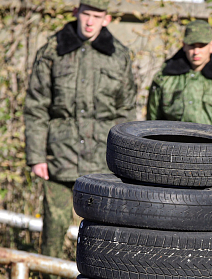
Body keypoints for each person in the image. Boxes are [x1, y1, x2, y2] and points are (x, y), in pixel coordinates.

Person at [24, 0, 137, 265]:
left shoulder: (118, 55)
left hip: (102, 161)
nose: (89, 22)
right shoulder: (52, 50)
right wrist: (36, 155)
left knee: (103, 232)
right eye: (86, 14)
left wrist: (123, 161)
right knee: (54, 225)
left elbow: (125, 112)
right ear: (76, 12)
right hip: (58, 156)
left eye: (96, 16)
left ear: (106, 19)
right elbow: (36, 106)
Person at [146, 20, 212, 132]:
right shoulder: (165, 79)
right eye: (192, 46)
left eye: (202, 46)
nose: (196, 52)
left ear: (211, 46)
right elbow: (152, 125)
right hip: (174, 146)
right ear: (184, 46)